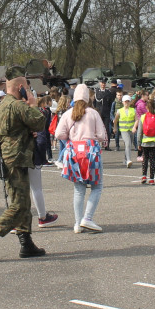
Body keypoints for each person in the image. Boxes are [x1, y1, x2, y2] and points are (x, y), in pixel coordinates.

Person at [0, 69, 48, 260]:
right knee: (18, 206)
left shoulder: (2, 104)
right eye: (27, 88)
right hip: (16, 158)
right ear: (21, 87)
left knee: (23, 201)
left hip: (9, 158)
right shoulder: (17, 105)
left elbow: (18, 128)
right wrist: (33, 104)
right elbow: (39, 122)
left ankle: (26, 243)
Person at [54, 83, 107, 233]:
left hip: (74, 152)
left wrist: (70, 138)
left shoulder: (67, 114)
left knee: (79, 189)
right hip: (91, 152)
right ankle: (87, 218)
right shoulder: (93, 113)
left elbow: (58, 134)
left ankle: (77, 223)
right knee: (97, 186)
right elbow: (102, 136)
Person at [29, 96, 59, 227]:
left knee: (20, 190)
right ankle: (42, 216)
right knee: (35, 188)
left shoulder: (13, 110)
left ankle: (17, 222)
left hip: (17, 154)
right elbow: (40, 136)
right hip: (29, 154)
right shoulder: (33, 112)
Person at [136, 98, 155, 184]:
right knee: (152, 160)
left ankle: (144, 175)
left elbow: (139, 132)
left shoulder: (143, 117)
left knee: (145, 159)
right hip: (154, 141)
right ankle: (152, 178)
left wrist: (138, 143)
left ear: (146, 107)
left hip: (145, 141)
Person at [115, 94, 137, 168]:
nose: (126, 103)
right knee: (127, 144)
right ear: (123, 102)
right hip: (124, 130)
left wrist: (134, 127)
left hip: (131, 130)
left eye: (128, 101)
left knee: (129, 145)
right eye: (125, 101)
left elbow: (137, 119)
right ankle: (128, 160)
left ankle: (125, 159)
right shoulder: (119, 111)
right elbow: (115, 120)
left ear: (130, 102)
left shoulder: (133, 110)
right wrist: (115, 128)